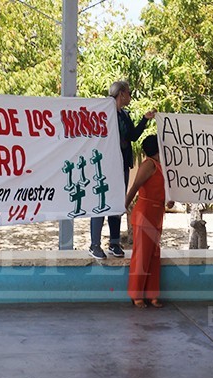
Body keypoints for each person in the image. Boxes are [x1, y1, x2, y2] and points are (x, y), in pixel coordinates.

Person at [89, 80, 155, 260]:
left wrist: (144, 120)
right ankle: (94, 244)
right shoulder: (104, 111)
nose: (130, 96)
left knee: (117, 202)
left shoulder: (124, 115)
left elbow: (132, 136)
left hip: (122, 164)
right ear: (121, 94)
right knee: (102, 202)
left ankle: (114, 242)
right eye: (129, 92)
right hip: (105, 165)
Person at [125, 135, 173, 308]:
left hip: (157, 214)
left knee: (153, 256)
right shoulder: (149, 165)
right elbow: (135, 186)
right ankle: (136, 295)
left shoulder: (161, 166)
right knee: (142, 256)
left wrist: (168, 201)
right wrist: (124, 205)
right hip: (144, 214)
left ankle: (152, 295)